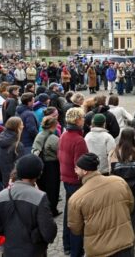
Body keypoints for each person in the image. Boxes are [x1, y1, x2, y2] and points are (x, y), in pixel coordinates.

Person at [68, 153, 135, 257]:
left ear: (85, 171)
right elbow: (130, 205)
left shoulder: (76, 198)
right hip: (125, 244)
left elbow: (76, 229)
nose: (75, 171)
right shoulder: (119, 181)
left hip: (98, 250)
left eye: (77, 168)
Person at [0, 154, 57, 257]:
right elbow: (49, 233)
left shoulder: (1, 196)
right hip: (34, 252)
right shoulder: (40, 197)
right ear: (39, 173)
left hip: (10, 252)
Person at [58, 107, 88, 257]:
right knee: (77, 217)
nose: (84, 120)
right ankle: (76, 249)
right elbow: (81, 166)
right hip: (75, 181)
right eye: (82, 118)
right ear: (77, 120)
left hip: (66, 178)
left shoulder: (64, 135)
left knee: (69, 213)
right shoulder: (79, 140)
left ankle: (67, 244)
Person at [109, 127, 135, 229]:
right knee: (132, 215)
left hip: (118, 188)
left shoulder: (113, 152)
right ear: (133, 137)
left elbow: (110, 171)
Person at [32, 117, 62, 217]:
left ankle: (43, 208)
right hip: (52, 166)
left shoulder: (39, 135)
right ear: (53, 126)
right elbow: (60, 152)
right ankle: (52, 210)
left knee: (43, 187)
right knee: (53, 190)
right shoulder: (54, 138)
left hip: (40, 165)